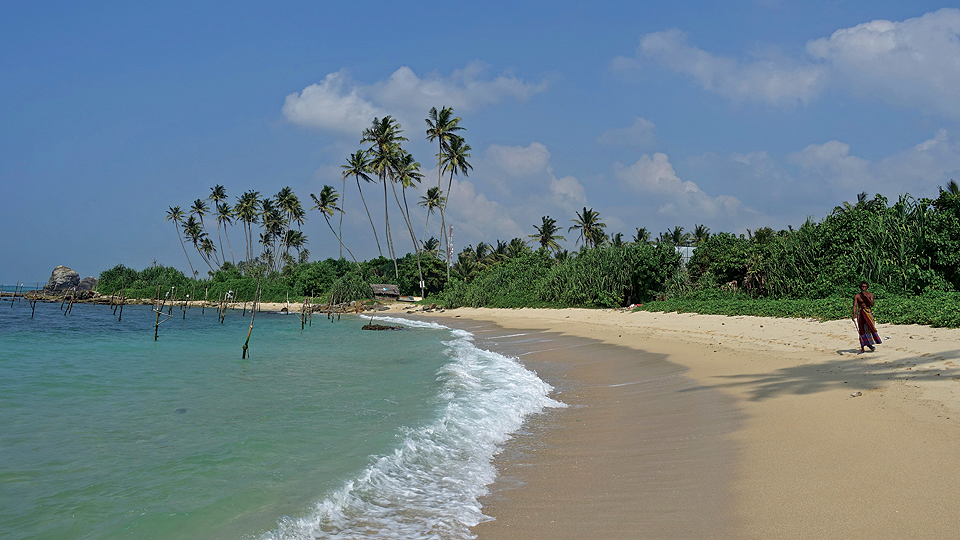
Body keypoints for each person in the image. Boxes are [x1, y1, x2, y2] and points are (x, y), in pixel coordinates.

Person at [851, 281, 881, 353]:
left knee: (870, 328)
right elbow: (855, 305)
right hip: (861, 312)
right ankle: (862, 347)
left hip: (868, 312)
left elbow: (872, 304)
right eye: (862, 287)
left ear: (867, 288)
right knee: (861, 329)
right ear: (860, 287)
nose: (863, 288)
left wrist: (866, 297)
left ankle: (870, 344)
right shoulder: (857, 296)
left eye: (865, 287)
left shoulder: (870, 295)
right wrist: (854, 315)